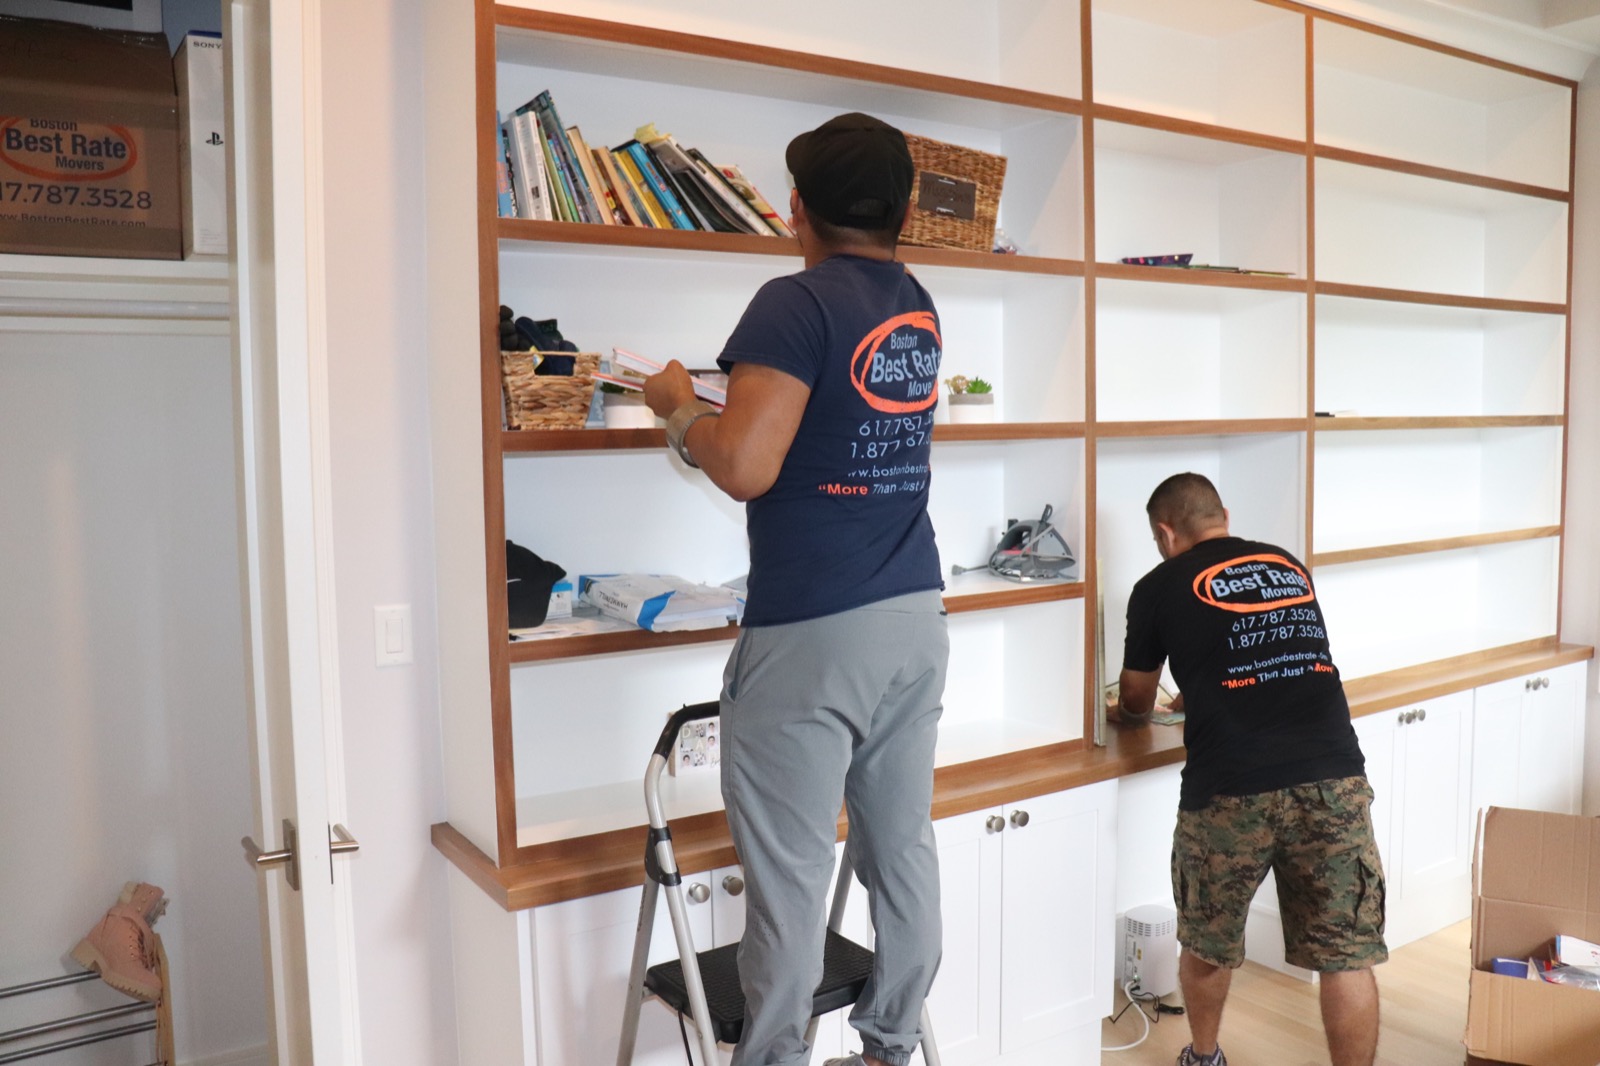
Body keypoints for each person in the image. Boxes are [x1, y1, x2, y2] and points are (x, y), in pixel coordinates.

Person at [643, 112, 948, 1066]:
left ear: (797, 210)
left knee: (788, 876)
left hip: (815, 627)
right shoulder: (915, 301)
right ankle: (890, 1045)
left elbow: (745, 465)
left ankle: (774, 1058)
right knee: (900, 850)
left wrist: (678, 407)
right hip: (913, 615)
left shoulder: (793, 301)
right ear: (901, 210)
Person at [1114, 472, 1386, 1066]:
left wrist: (1135, 705)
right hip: (1332, 774)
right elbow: (1275, 654)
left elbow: (1136, 698)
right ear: (1223, 516)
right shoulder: (1287, 565)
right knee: (1347, 954)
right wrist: (1206, 686)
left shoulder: (1157, 586)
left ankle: (1204, 1056)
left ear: (1165, 533)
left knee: (1208, 942)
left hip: (1231, 786)